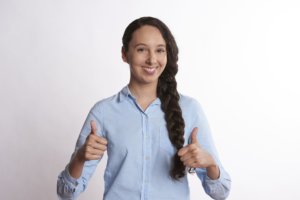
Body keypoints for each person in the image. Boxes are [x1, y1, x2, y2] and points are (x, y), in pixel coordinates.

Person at [57, 16, 231, 200]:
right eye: (141, 50)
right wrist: (79, 158)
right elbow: (66, 193)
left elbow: (221, 193)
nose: (152, 59)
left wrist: (210, 164)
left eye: (159, 50)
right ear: (124, 54)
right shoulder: (103, 112)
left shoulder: (190, 109)